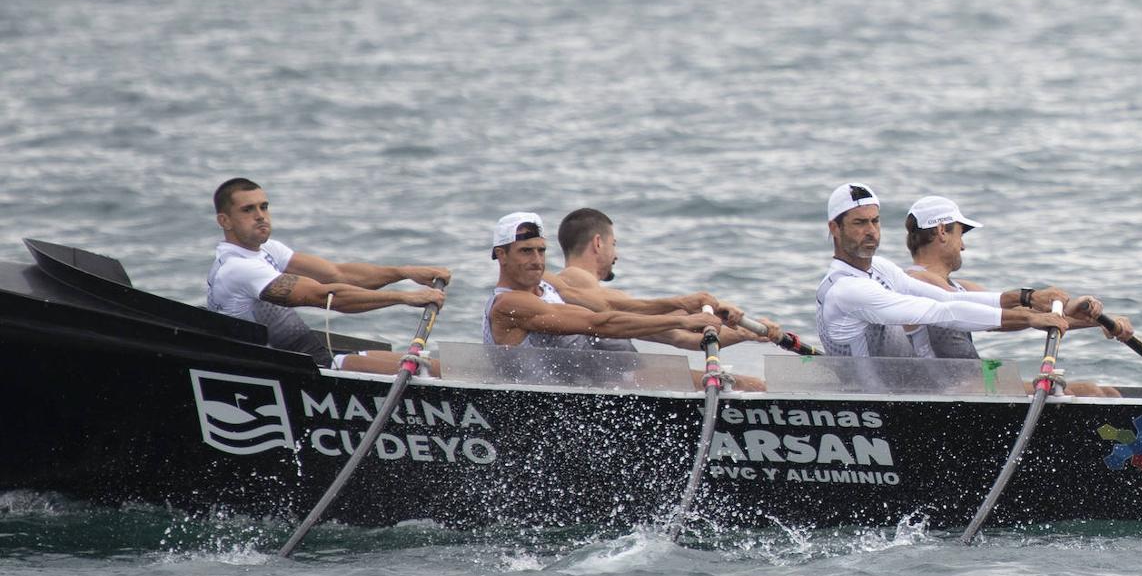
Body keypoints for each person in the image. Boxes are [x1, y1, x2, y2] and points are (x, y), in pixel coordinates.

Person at [815, 183, 1100, 360]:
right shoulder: (846, 290)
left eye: (875, 222)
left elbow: (949, 300)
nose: (871, 231)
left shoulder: (882, 269)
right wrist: (1030, 316)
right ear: (834, 229)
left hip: (897, 400)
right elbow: (941, 313)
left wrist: (1029, 298)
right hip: (870, 411)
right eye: (859, 224)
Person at [484, 211, 762, 390]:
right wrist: (684, 318)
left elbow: (605, 306)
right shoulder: (510, 305)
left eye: (541, 251)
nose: (536, 261)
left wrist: (683, 302)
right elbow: (599, 322)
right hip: (543, 406)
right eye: (526, 252)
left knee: (749, 385)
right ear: (502, 255)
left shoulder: (548, 282)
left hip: (583, 389)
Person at [207, 178, 451, 375]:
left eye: (264, 206)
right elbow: (326, 297)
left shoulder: (269, 250)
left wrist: (404, 272)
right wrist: (405, 298)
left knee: (437, 366)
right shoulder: (238, 268)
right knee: (429, 372)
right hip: (284, 372)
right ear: (224, 221)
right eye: (248, 209)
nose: (260, 215)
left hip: (314, 357)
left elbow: (339, 274)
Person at [903, 194, 1126, 397]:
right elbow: (996, 315)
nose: (963, 246)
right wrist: (1032, 310)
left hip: (977, 384)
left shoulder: (961, 287)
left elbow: (1016, 314)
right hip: (946, 395)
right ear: (942, 231)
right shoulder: (914, 281)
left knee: (1107, 392)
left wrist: (1100, 321)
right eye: (961, 234)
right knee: (1092, 392)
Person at [553, 207, 781, 353]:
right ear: (598, 243)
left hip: (624, 385)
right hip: (614, 389)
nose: (617, 255)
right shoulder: (573, 279)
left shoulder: (610, 306)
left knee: (746, 384)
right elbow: (612, 307)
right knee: (751, 386)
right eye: (614, 244)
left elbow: (681, 337)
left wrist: (744, 333)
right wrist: (696, 306)